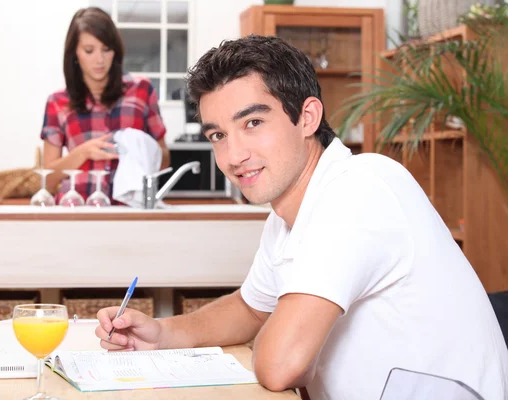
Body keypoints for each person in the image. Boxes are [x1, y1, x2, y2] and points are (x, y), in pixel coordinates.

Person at [94, 35, 508, 399]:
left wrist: (291, 354)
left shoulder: (359, 188)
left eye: (253, 122)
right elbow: (249, 308)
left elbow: (280, 365)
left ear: (307, 117)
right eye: (218, 135)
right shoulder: (288, 215)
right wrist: (161, 334)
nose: (233, 156)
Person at [40, 7, 170, 203]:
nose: (99, 60)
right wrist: (83, 153)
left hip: (130, 211)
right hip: (77, 211)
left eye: (106, 49)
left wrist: (140, 148)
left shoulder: (142, 90)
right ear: (74, 53)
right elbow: (48, 180)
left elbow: (164, 161)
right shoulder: (58, 102)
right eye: (89, 51)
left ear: (115, 51)